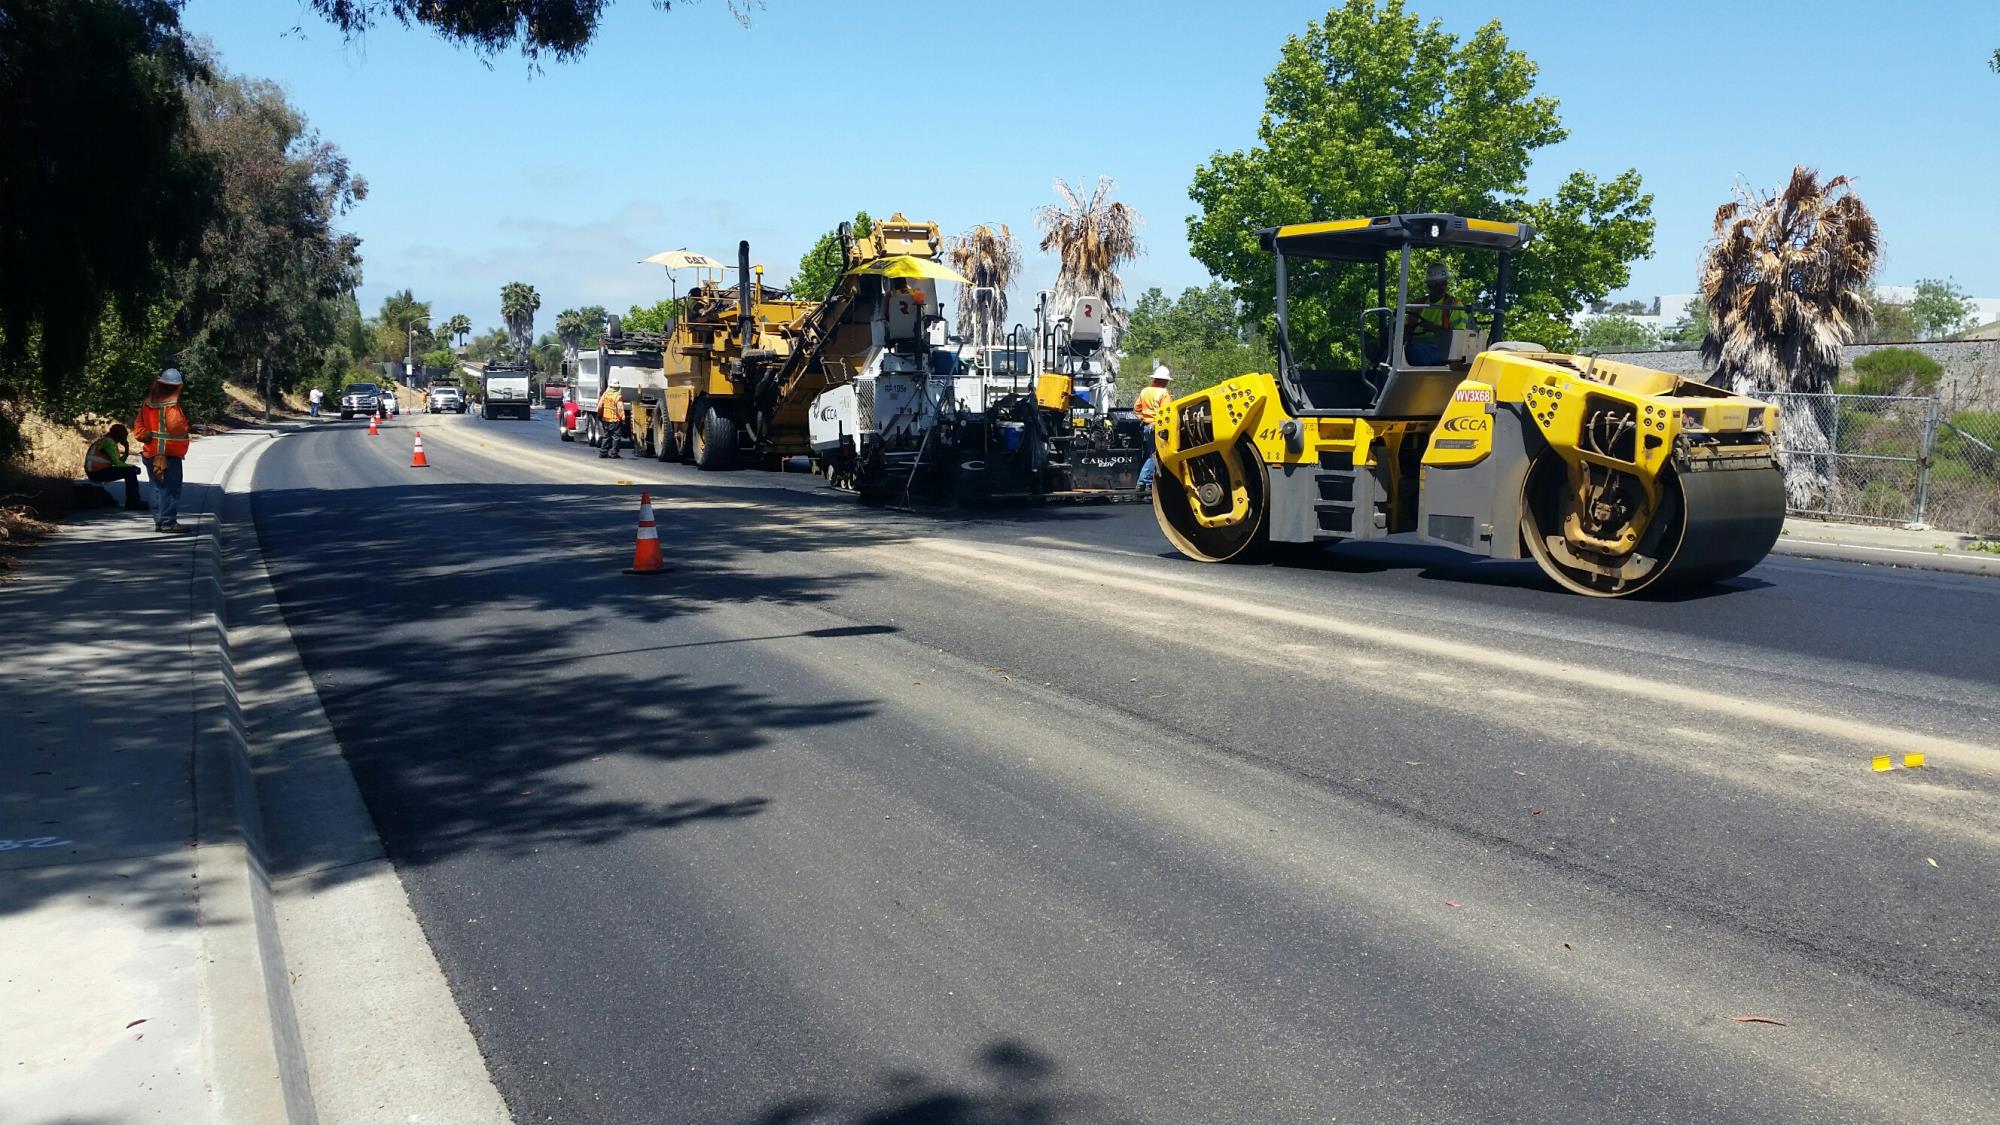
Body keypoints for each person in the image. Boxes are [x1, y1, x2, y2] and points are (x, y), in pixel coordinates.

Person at [132, 367, 191, 533]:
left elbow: (138, 429)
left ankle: (159, 520)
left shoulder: (147, 404)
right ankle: (168, 522)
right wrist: (186, 424)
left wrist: (148, 435)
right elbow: (177, 428)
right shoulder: (171, 408)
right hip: (168, 456)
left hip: (151, 453)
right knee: (169, 489)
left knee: (156, 487)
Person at [1406, 261, 1472, 366]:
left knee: (1418, 350)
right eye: (1436, 284)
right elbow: (1408, 328)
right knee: (1391, 351)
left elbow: (1459, 337)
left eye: (1444, 283)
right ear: (1429, 285)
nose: (1441, 287)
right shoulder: (1419, 304)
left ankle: (1422, 381)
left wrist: (1435, 328)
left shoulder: (1454, 305)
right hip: (1417, 346)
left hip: (1445, 350)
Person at [1133, 361, 1173, 497]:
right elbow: (1167, 412)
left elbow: (1136, 408)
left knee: (1152, 454)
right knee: (1155, 456)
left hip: (1146, 426)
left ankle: (1149, 484)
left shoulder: (1145, 391)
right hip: (1157, 428)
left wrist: (1143, 419)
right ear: (1164, 381)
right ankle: (1142, 482)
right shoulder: (1164, 394)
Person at [84, 423, 145, 511]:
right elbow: (118, 464)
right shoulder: (109, 443)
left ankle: (132, 501)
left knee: (129, 471)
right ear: (119, 436)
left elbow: (120, 463)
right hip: (97, 472)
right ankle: (133, 502)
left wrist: (126, 449)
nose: (125, 438)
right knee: (130, 471)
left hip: (96, 471)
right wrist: (133, 468)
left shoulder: (108, 441)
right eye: (125, 435)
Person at [597, 384, 626, 459]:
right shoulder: (618, 397)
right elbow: (620, 409)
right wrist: (623, 418)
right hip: (615, 420)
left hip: (606, 419)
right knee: (616, 437)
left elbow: (600, 406)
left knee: (606, 436)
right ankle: (613, 453)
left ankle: (603, 452)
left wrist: (599, 414)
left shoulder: (605, 395)